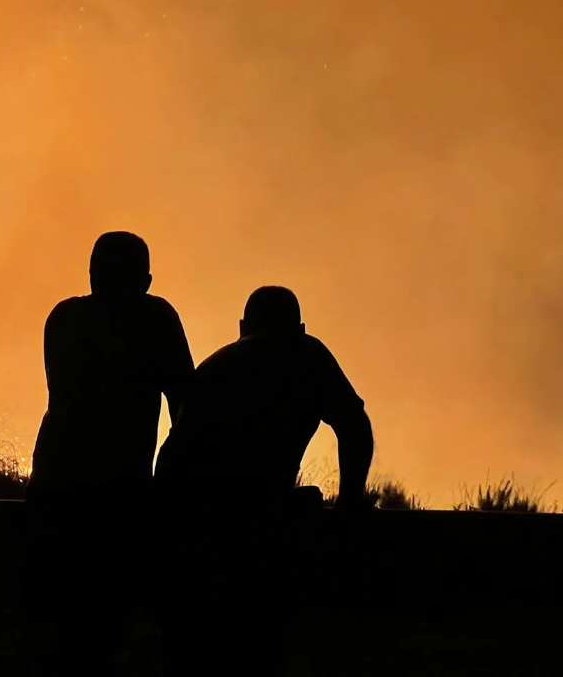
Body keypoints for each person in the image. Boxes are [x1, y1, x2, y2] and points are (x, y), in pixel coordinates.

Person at [154, 285, 373, 673]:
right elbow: (354, 426)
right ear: (301, 326)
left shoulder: (217, 365)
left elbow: (174, 453)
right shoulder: (305, 354)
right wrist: (349, 501)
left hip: (188, 516)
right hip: (243, 518)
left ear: (242, 326)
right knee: (259, 639)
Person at [26, 230, 195, 673]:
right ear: (147, 279)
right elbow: (186, 405)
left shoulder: (63, 318)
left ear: (92, 274)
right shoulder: (154, 318)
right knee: (106, 624)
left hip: (54, 483)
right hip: (120, 490)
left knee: (60, 624)